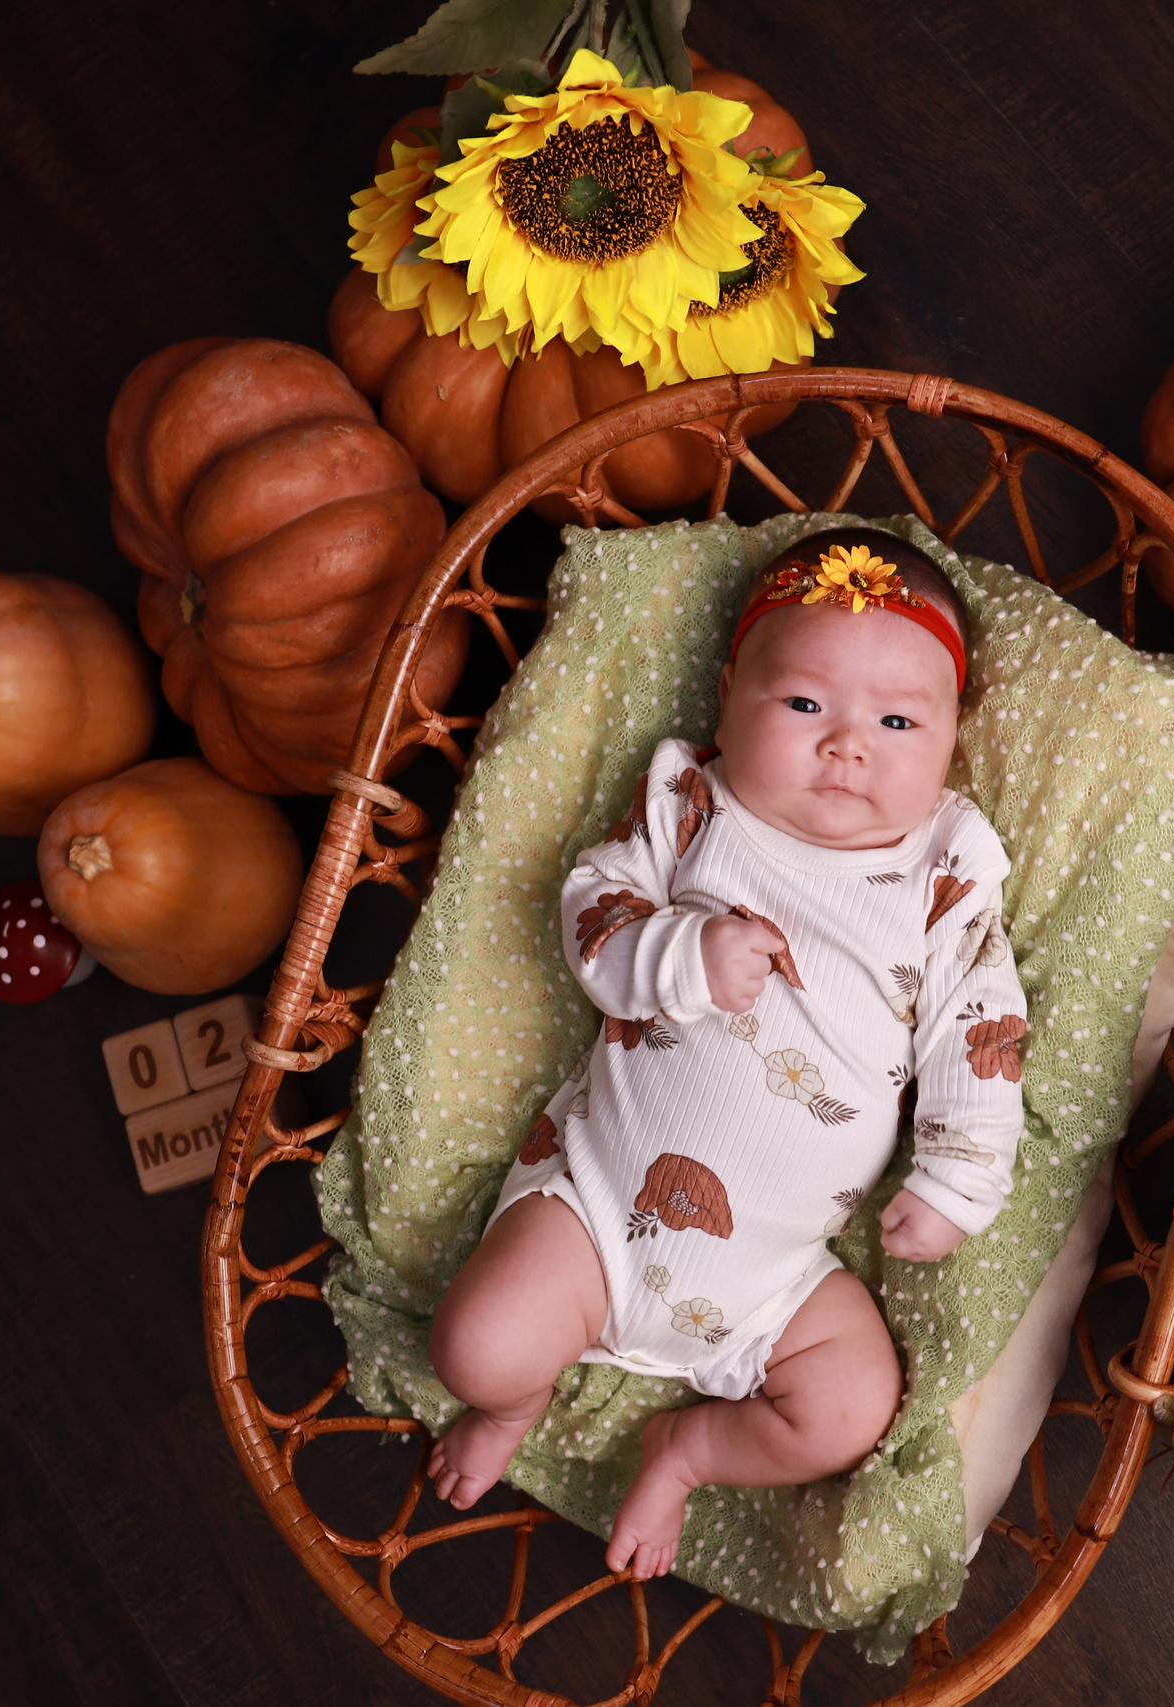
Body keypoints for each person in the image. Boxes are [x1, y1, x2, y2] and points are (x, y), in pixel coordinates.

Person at [424, 529, 1028, 1580]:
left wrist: (958, 1175)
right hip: (601, 1207)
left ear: (949, 742)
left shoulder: (943, 873)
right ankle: (513, 1406)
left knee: (849, 1405)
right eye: (803, 705)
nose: (847, 746)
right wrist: (679, 953)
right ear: (726, 695)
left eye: (896, 721)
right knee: (476, 1348)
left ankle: (689, 1452)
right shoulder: (693, 809)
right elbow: (593, 912)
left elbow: (981, 1028)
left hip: (776, 1277)